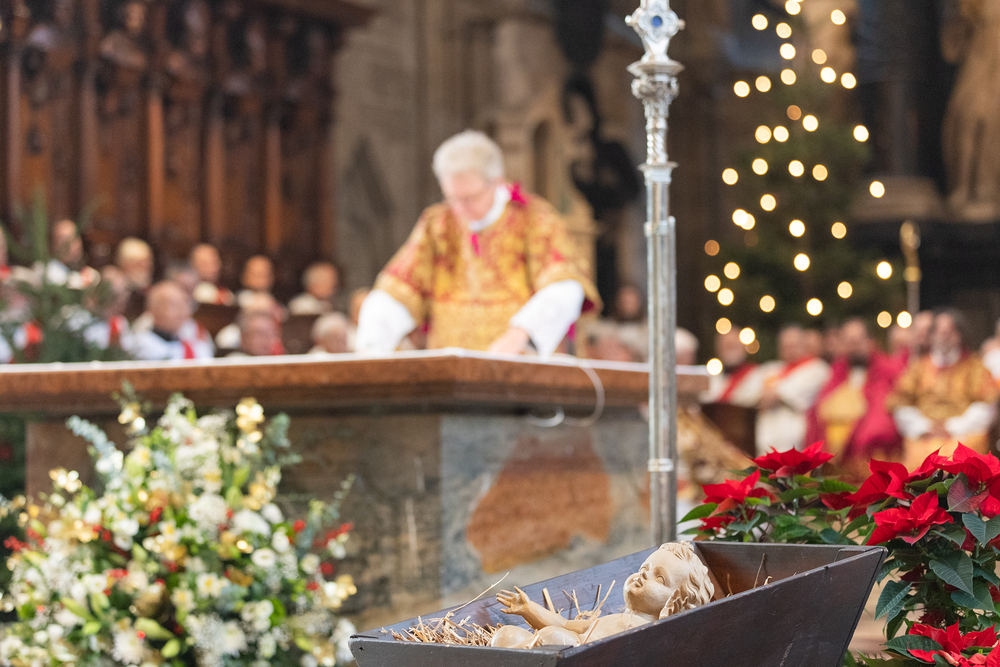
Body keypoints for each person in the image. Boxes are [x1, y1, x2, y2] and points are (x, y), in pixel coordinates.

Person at [356, 130, 600, 356]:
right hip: (451, 370)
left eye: (470, 197)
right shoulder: (437, 223)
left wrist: (520, 335)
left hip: (519, 364)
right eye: (452, 197)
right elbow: (398, 289)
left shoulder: (534, 219)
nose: (461, 209)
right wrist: (372, 344)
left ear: (497, 181)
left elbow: (564, 285)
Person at [888, 310, 999, 470]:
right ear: (931, 335)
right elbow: (901, 404)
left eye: (949, 331)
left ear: (960, 335)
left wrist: (952, 427)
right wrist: (925, 427)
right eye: (939, 331)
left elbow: (986, 407)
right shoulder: (917, 369)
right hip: (924, 435)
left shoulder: (975, 368)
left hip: (963, 433)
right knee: (919, 460)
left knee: (962, 459)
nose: (944, 336)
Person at [806, 318, 904, 476]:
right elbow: (820, 406)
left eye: (858, 341)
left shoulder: (886, 370)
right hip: (834, 445)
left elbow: (884, 413)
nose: (854, 347)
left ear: (870, 342)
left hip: (865, 452)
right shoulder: (837, 372)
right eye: (849, 342)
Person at [755, 324, 831, 455]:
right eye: (785, 346)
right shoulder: (771, 368)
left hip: (795, 442)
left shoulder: (816, 368)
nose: (789, 350)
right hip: (765, 442)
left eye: (793, 345)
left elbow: (784, 394)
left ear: (803, 345)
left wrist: (775, 393)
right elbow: (755, 394)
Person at [129, 281, 214, 360]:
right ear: (153, 310)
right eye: (173, 305)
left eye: (184, 303)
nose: (181, 311)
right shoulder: (139, 347)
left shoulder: (198, 347)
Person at [702, 329, 762, 407]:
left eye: (733, 346)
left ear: (743, 347)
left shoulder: (756, 374)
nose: (729, 350)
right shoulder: (710, 375)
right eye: (725, 346)